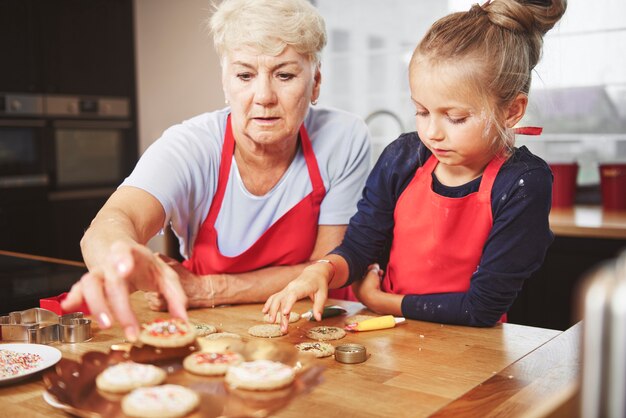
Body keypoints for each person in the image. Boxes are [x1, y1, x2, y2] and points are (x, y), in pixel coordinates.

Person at [62, 0, 371, 341]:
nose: (264, 96)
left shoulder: (344, 137)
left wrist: (208, 288)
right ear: (225, 83)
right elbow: (112, 223)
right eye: (245, 75)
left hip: (309, 326)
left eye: (284, 75)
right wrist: (118, 254)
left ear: (315, 83)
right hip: (212, 331)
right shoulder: (190, 145)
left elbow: (326, 267)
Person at [264, 0, 567, 329]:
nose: (432, 133)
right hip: (390, 338)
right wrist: (323, 269)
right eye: (422, 111)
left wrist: (380, 302)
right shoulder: (402, 157)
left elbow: (480, 309)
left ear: (511, 111)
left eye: (455, 117)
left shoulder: (522, 184)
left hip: (470, 346)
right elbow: (360, 246)